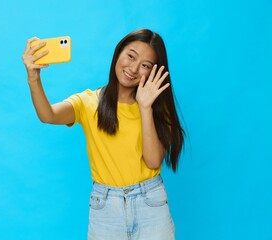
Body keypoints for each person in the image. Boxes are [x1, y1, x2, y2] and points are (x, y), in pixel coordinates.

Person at [22, 29, 184, 240]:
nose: (133, 68)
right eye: (130, 56)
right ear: (118, 53)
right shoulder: (88, 102)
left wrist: (145, 108)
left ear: (153, 72)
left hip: (150, 203)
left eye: (145, 66)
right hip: (106, 206)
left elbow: (153, 161)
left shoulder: (157, 108)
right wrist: (33, 78)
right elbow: (48, 115)